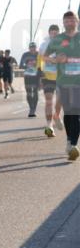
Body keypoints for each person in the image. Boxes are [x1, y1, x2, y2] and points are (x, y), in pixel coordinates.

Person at [44, 11, 80, 161]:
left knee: (76, 113)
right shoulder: (58, 39)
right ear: (63, 23)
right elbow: (45, 56)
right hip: (63, 81)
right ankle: (69, 141)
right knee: (69, 113)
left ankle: (73, 145)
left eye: (72, 20)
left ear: (77, 21)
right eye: (66, 21)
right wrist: (56, 60)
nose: (69, 23)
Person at [39, 25, 65, 137]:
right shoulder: (43, 45)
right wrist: (40, 76)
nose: (54, 35)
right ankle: (49, 126)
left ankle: (56, 115)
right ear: (49, 33)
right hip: (47, 76)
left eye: (56, 33)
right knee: (49, 101)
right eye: (52, 33)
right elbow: (40, 60)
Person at [20, 42, 41, 118]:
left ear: (36, 48)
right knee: (28, 93)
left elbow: (43, 65)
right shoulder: (25, 55)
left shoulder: (39, 54)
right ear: (29, 48)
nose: (32, 49)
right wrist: (28, 65)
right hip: (28, 76)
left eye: (34, 47)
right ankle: (31, 107)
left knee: (35, 92)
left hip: (37, 76)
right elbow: (21, 65)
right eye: (31, 47)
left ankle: (33, 109)